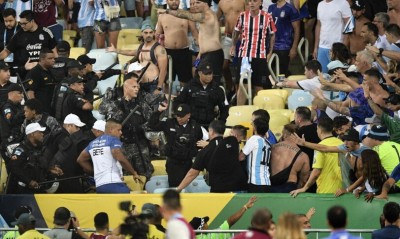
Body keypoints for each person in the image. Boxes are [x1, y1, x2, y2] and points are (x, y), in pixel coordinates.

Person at [99, 73, 163, 179]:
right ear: (126, 87)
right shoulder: (115, 101)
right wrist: (119, 103)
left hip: (140, 142)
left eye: (138, 86)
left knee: (145, 172)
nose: (137, 89)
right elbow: (102, 109)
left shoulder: (141, 103)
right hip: (122, 143)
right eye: (134, 86)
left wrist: (156, 114)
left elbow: (151, 121)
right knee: (125, 173)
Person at [158, 0, 224, 84]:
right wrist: (200, 53)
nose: (194, 5)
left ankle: (221, 96)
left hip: (213, 55)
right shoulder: (208, 16)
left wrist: (167, 11)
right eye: (192, 3)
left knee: (212, 84)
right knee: (198, 79)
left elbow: (187, 15)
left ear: (206, 3)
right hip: (205, 54)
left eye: (198, 3)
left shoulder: (207, 15)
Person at [177, 120, 247, 192]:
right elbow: (223, 142)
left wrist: (179, 189)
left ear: (211, 132)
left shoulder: (204, 152)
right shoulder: (233, 142)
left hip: (219, 190)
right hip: (239, 187)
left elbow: (192, 173)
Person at [77, 119, 143, 193]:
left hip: (99, 185)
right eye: (119, 130)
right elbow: (119, 156)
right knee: (132, 201)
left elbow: (80, 160)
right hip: (113, 182)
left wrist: (93, 172)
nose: (121, 133)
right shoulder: (113, 140)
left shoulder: (92, 143)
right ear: (111, 129)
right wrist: (134, 173)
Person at [231, 0, 277, 105]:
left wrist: (270, 52)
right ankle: (239, 112)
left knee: (259, 86)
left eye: (255, 1)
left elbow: (272, 34)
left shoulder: (267, 17)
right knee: (243, 85)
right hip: (244, 56)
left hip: (260, 55)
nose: (251, 3)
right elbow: (236, 31)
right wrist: (233, 45)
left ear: (260, 3)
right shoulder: (242, 16)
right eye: (250, 1)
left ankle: (260, 113)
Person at [148, 103, 203, 187]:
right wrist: (158, 111)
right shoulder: (169, 123)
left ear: (188, 115)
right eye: (177, 115)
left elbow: (199, 142)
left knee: (189, 188)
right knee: (175, 187)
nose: (179, 118)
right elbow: (152, 125)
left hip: (188, 162)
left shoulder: (196, 127)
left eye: (181, 116)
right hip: (173, 163)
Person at [107, 24, 168, 94]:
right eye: (146, 33)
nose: (149, 35)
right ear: (141, 33)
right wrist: (116, 50)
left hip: (152, 84)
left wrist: (159, 87)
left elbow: (163, 70)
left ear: (154, 33)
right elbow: (131, 52)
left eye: (151, 32)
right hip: (139, 84)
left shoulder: (159, 49)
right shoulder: (141, 47)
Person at [290, 117, 343, 196]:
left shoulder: (319, 147)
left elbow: (316, 172)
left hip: (326, 192)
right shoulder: (341, 143)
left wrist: (304, 188)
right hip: (342, 190)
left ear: (319, 129)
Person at [0, 10, 57, 78]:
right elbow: (7, 51)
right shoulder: (19, 34)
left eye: (24, 23)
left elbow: (55, 54)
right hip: (25, 72)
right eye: (20, 23)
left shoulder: (46, 32)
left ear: (32, 21)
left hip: (44, 71)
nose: (22, 26)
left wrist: (41, 64)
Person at [173, 61, 228, 128]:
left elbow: (224, 108)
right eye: (206, 74)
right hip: (191, 125)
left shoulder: (218, 89)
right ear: (199, 73)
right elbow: (177, 103)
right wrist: (181, 118)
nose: (209, 76)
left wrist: (220, 124)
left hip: (209, 125)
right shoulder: (189, 86)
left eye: (210, 73)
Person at [156, 0, 198, 86]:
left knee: (185, 81)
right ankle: (167, 99)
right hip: (167, 52)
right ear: (167, 1)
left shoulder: (186, 15)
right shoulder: (162, 17)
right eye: (171, 0)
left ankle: (184, 98)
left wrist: (200, 51)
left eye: (176, 0)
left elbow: (195, 33)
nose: (174, 2)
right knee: (166, 81)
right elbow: (158, 36)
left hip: (184, 52)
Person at [7, 123, 49, 194]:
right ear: (32, 134)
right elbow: (13, 167)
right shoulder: (21, 149)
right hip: (23, 191)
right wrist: (29, 181)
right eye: (40, 132)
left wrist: (50, 169)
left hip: (37, 188)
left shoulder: (38, 148)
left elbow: (39, 165)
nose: (42, 134)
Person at [191, 196, 257, 239]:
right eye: (205, 223)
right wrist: (245, 207)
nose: (207, 224)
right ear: (201, 228)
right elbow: (230, 221)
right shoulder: (212, 236)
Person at [216, 0, 246, 95]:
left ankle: (241, 92)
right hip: (228, 37)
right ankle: (231, 88)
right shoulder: (222, 3)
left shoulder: (243, 1)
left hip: (242, 37)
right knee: (224, 65)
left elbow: (250, 16)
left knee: (241, 66)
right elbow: (216, 18)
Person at [270, 124, 310, 193]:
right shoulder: (303, 156)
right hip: (290, 189)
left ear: (285, 135)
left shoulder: (272, 148)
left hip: (271, 187)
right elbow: (303, 180)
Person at [314, 0, 351, 72]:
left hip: (337, 47)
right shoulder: (320, 4)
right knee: (322, 76)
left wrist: (344, 47)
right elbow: (319, 25)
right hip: (322, 47)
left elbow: (349, 26)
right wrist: (316, 47)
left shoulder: (343, 3)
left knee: (337, 76)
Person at [268, 0, 300, 77]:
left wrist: (294, 48)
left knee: (282, 74)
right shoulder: (270, 8)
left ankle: (283, 88)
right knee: (267, 74)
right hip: (270, 46)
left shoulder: (291, 9)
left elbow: (297, 29)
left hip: (284, 46)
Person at [240, 118, 272, 193]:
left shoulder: (254, 139)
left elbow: (241, 157)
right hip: (267, 182)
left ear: (255, 128)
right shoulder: (267, 142)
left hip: (256, 182)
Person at [24, 48, 57, 115]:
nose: (53, 60)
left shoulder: (50, 71)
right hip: (41, 111)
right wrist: (35, 110)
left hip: (50, 109)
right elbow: (30, 93)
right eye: (50, 58)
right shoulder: (34, 73)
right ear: (42, 59)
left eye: (54, 58)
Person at [0, 83, 25, 166]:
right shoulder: (6, 107)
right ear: (11, 94)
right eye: (19, 93)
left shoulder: (19, 107)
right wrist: (23, 112)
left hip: (19, 140)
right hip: (10, 142)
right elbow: (11, 120)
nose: (22, 95)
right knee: (14, 167)